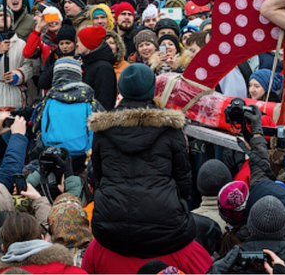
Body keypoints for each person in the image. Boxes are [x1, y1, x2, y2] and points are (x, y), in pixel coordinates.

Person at [83, 63, 208, 274]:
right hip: (165, 224)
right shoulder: (170, 129)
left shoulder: (103, 130)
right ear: (152, 89)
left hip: (110, 225)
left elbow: (98, 176)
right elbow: (183, 181)